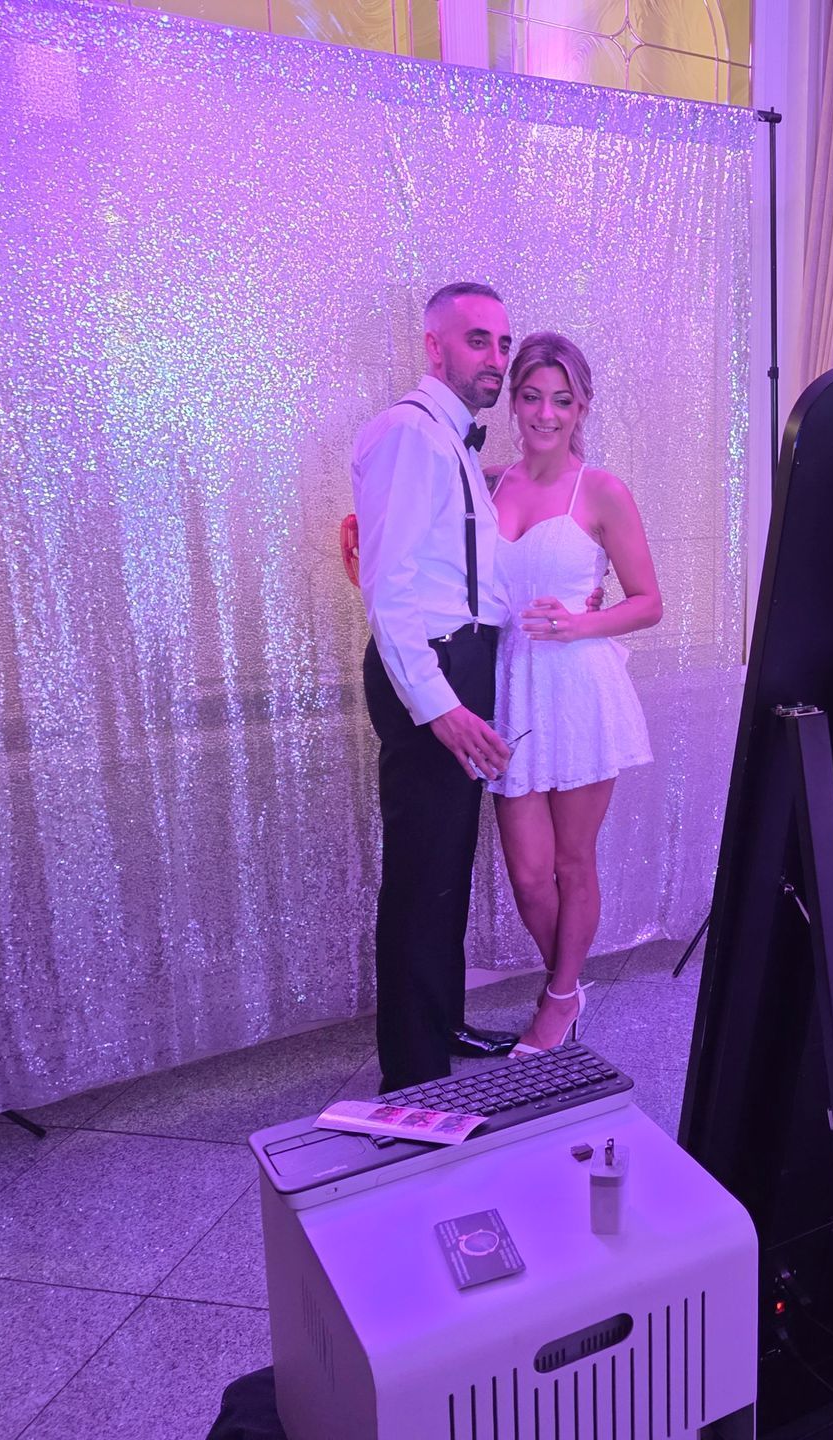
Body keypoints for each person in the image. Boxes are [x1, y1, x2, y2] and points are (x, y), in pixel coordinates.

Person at [351, 280, 522, 1090]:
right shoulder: (407, 435)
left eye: (502, 343)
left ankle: (442, 1025)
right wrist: (440, 704)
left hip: (462, 661)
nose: (496, 358)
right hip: (433, 668)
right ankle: (413, 1077)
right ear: (435, 346)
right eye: (478, 339)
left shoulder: (452, 441)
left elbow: (464, 570)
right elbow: (388, 589)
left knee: (448, 866)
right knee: (422, 878)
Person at [485, 332, 661, 1054]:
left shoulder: (603, 490)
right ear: (514, 400)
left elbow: (649, 602)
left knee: (571, 862)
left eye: (562, 400)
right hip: (511, 690)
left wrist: (581, 622)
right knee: (529, 876)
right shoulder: (487, 483)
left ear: (581, 407)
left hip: (581, 689)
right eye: (531, 397)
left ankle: (559, 998)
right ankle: (570, 983)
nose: (545, 414)